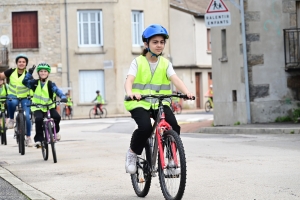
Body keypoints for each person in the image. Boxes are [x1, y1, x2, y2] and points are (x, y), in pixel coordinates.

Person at [123, 24, 194, 174]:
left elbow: (175, 79)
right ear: (146, 44)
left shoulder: (165, 63)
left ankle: (171, 161)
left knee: (173, 126)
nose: (159, 45)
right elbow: (129, 80)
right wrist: (130, 93)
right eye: (155, 42)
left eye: (162, 42)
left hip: (159, 102)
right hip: (139, 102)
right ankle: (132, 153)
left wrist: (187, 92)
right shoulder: (138, 62)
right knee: (145, 128)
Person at [22, 63, 67, 147]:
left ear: (48, 73)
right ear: (38, 73)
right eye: (41, 71)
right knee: (38, 119)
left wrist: (63, 97)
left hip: (49, 106)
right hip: (37, 107)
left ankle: (55, 132)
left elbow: (58, 91)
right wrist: (29, 73)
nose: (43, 73)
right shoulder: (34, 83)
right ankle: (39, 140)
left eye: (45, 71)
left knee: (57, 117)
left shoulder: (50, 84)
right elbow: (24, 82)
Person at [0, 54, 33, 147]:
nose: (21, 63)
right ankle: (11, 119)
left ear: (26, 64)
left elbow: (33, 85)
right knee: (12, 102)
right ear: (16, 63)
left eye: (23, 62)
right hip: (13, 95)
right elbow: (1, 76)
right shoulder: (11, 71)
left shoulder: (28, 74)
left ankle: (28, 137)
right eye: (19, 62)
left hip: (25, 97)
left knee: (27, 116)